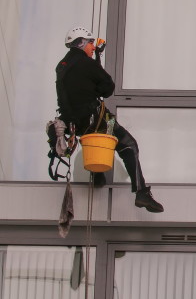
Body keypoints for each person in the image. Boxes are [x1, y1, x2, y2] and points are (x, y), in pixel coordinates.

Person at [55, 27, 164, 212]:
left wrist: (96, 59)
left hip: (76, 124)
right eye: (90, 43)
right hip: (99, 119)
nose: (92, 47)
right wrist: (97, 61)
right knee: (128, 144)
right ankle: (141, 192)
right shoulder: (87, 64)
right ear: (81, 43)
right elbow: (107, 88)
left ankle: (98, 176)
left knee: (99, 142)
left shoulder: (61, 66)